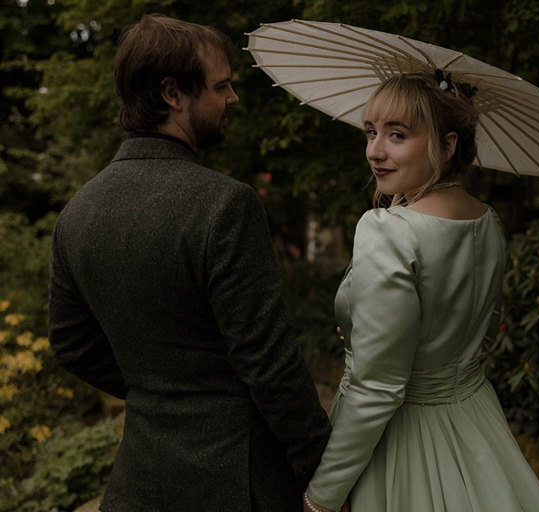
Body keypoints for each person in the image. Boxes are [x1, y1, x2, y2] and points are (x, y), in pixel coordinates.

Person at [48, 14, 330, 512]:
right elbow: (268, 360)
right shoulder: (225, 205)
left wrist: (155, 386)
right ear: (173, 93)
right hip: (235, 479)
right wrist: (324, 468)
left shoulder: (77, 213)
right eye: (221, 86)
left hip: (140, 481)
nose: (232, 99)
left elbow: (71, 344)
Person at [302, 73, 539, 512]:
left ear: (447, 145)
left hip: (400, 439)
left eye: (397, 135)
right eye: (370, 132)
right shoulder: (487, 222)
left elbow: (378, 387)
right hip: (474, 422)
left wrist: (322, 496)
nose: (374, 151)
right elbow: (473, 334)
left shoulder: (390, 232)